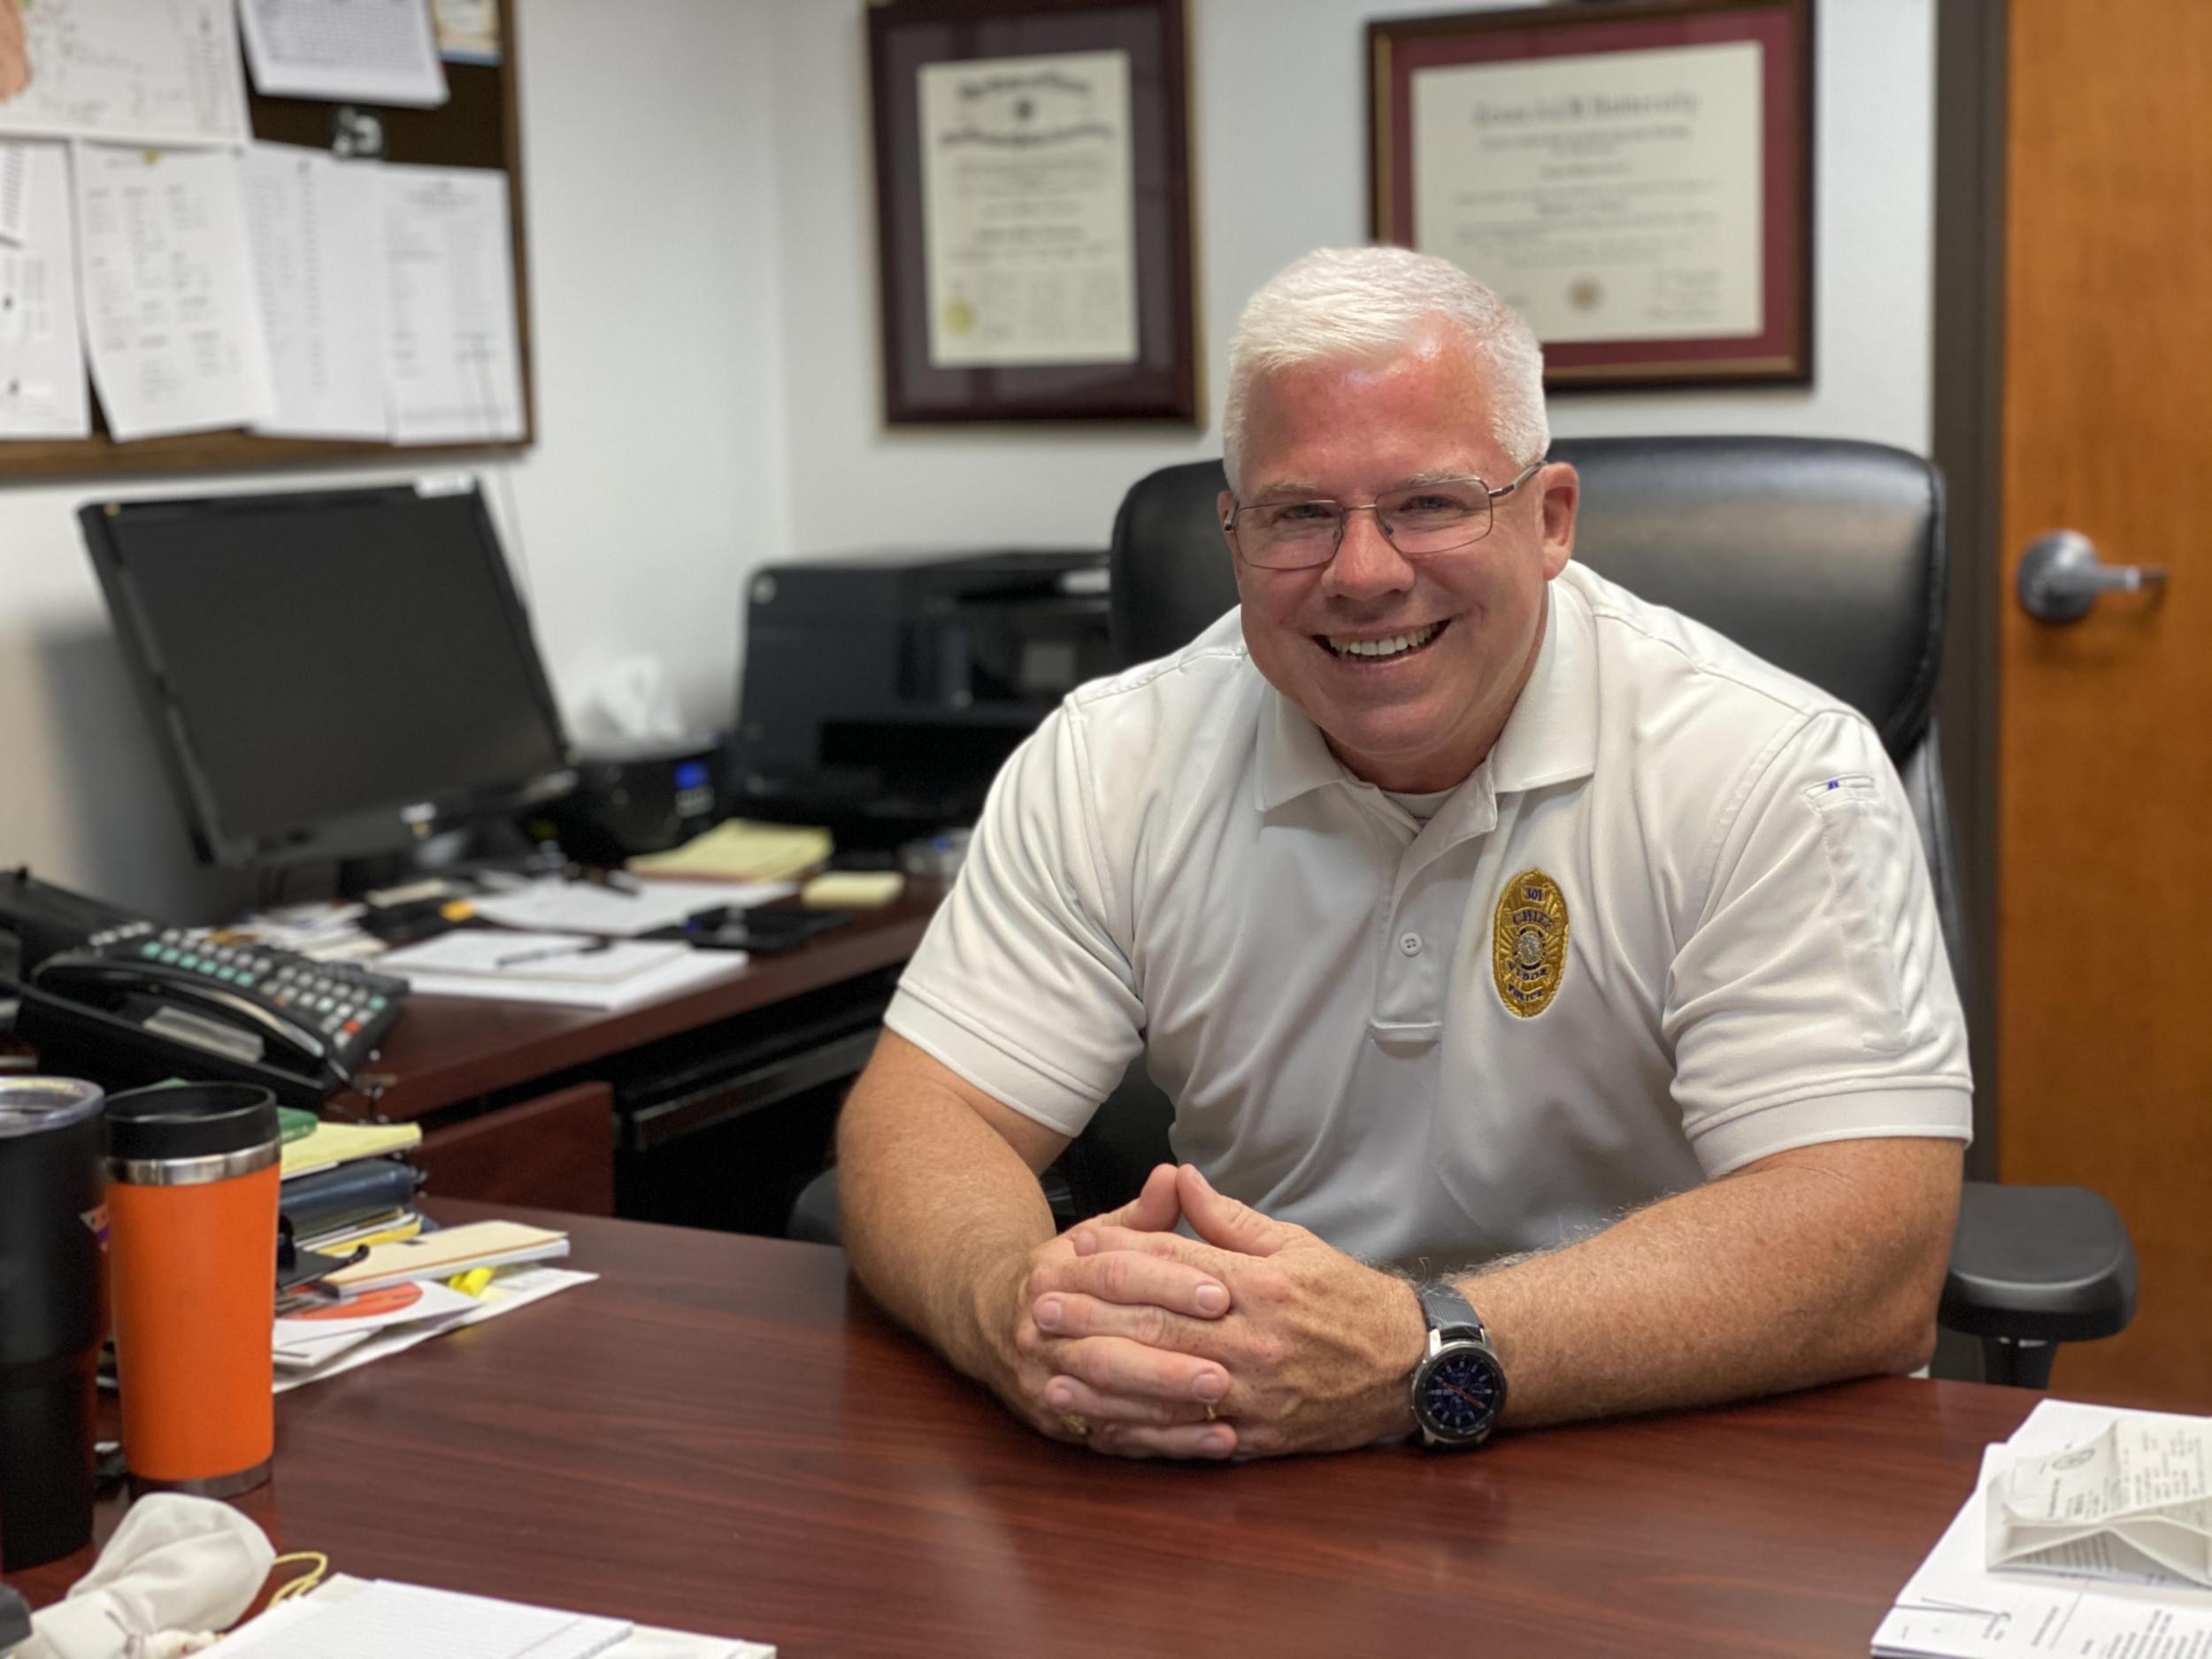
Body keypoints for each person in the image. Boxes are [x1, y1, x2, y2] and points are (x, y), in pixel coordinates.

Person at [835, 245, 1970, 1463]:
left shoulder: (1773, 766)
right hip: (1248, 1448)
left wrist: (1415, 1350)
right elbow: (923, 1115)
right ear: (1234, 536)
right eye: (1300, 515)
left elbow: (1874, 1240)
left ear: (1549, 521)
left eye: (1430, 504)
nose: (1363, 573)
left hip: (1668, 1447)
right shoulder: (1115, 756)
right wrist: (1022, 1310)